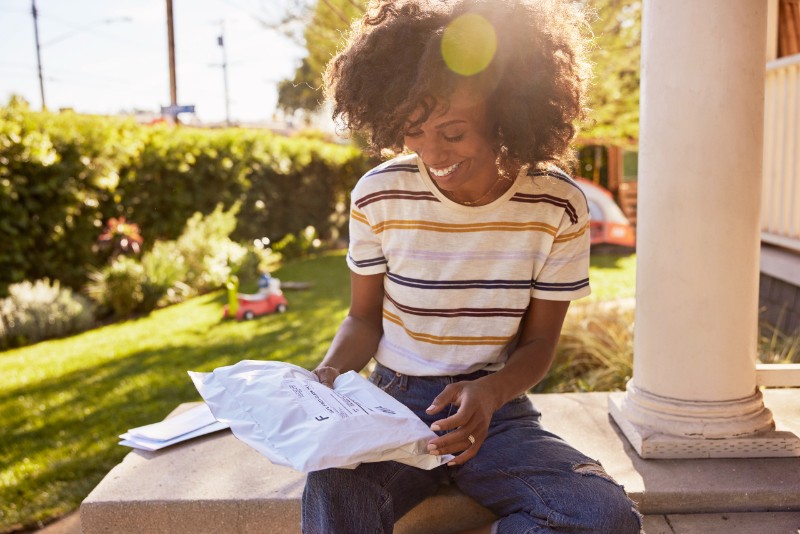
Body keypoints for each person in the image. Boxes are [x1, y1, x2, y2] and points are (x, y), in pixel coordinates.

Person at [303, 0, 642, 532]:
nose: (430, 152)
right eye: (412, 131)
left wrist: (490, 393)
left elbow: (538, 345)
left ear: (507, 111)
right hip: (394, 399)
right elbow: (363, 319)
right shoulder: (378, 194)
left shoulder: (557, 205)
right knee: (332, 485)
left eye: (453, 132)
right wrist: (328, 374)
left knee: (603, 515)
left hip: (498, 408)